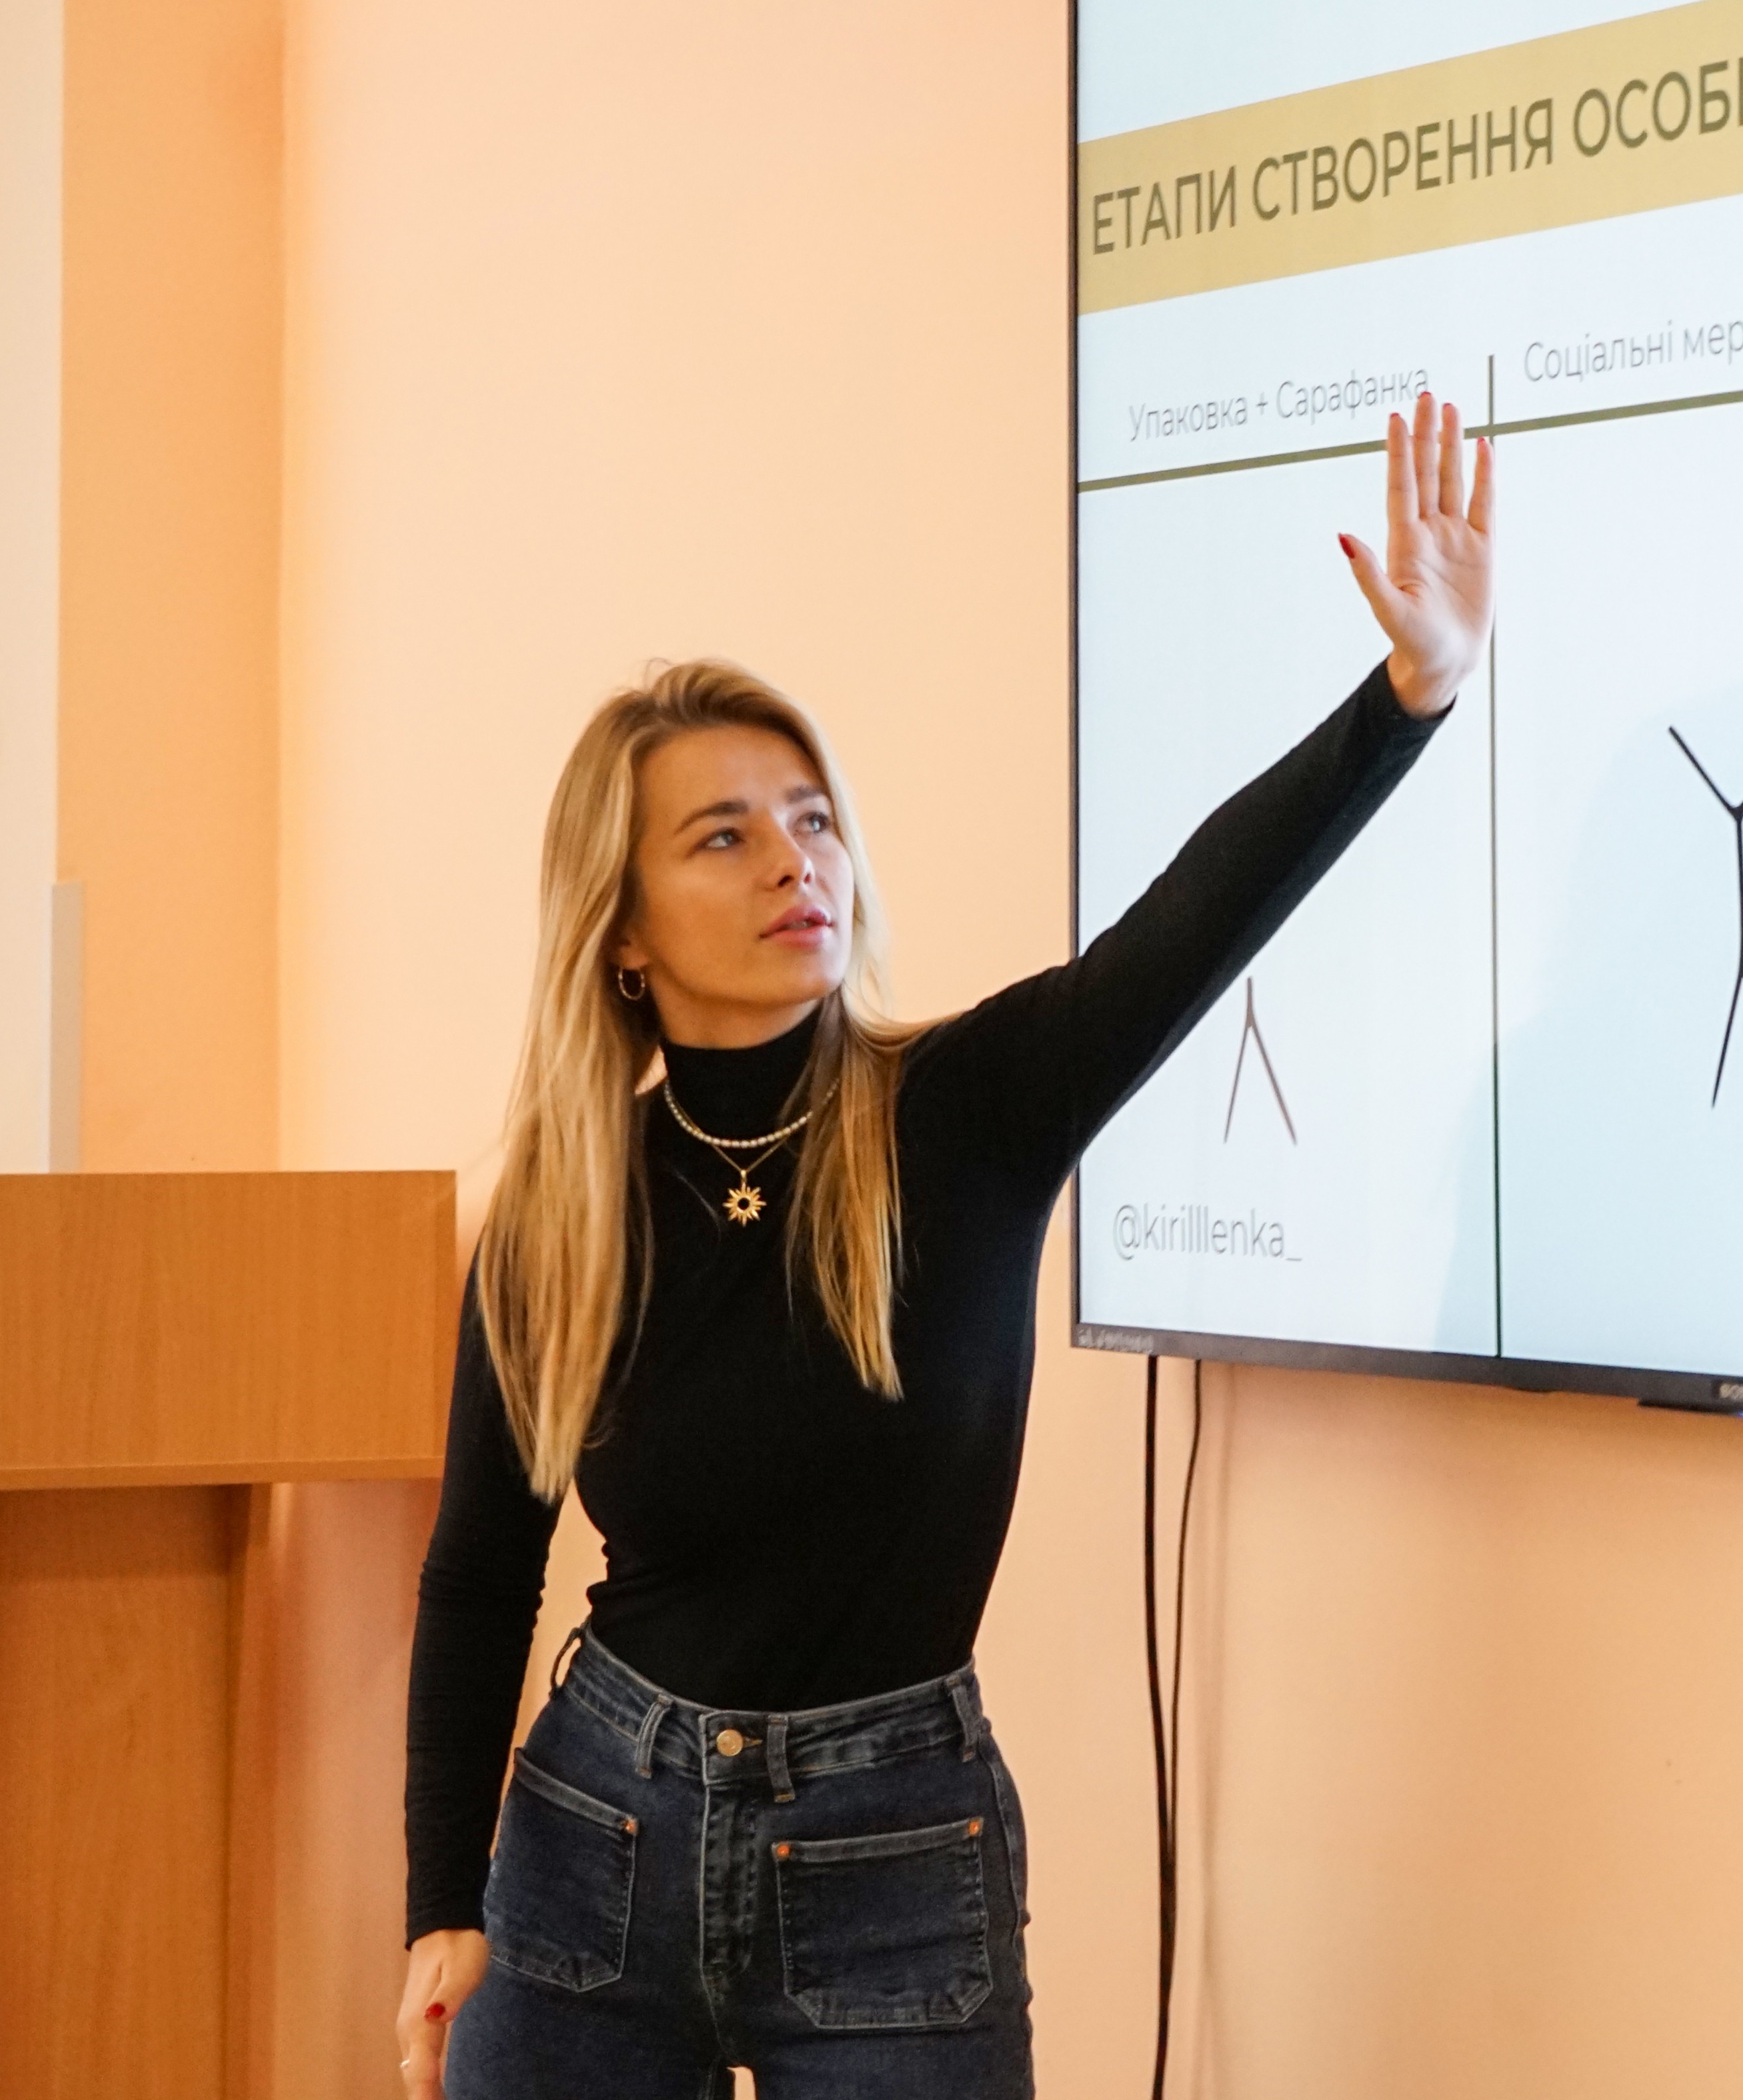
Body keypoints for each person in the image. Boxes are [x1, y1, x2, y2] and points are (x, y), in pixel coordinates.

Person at [401, 397, 1498, 2098]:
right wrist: (437, 1907)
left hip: (893, 1847)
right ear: (619, 930)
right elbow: (481, 1569)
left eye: (812, 818)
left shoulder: (968, 1110)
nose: (795, 861)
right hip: (594, 1835)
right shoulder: (564, 1212)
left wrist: (1407, 696)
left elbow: (1188, 923)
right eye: (725, 834)